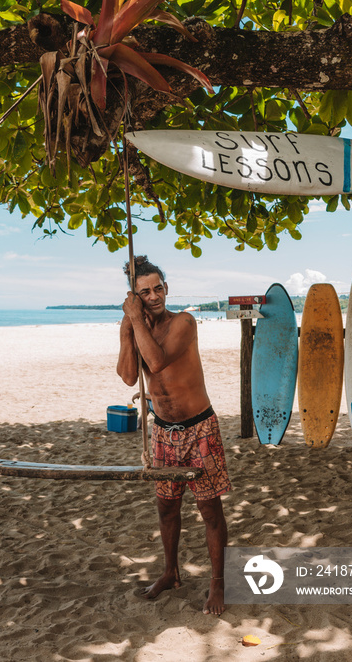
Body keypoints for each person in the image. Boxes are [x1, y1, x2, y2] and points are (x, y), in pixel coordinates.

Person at [116, 255, 231, 615]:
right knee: (167, 508)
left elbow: (158, 363)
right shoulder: (137, 327)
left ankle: (218, 584)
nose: (154, 296)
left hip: (199, 427)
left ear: (167, 288)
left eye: (159, 288)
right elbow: (128, 376)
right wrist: (126, 331)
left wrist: (135, 319)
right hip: (163, 433)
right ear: (134, 295)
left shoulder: (184, 322)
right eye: (145, 292)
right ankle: (170, 573)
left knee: (209, 509)